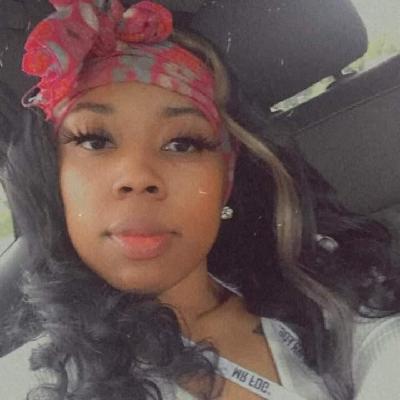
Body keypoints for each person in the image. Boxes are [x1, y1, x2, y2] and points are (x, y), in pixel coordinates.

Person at [1, 1, 400, 399]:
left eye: (182, 144)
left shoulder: (326, 298)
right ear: (53, 179)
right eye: (94, 141)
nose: (138, 177)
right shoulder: (33, 381)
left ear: (226, 179)